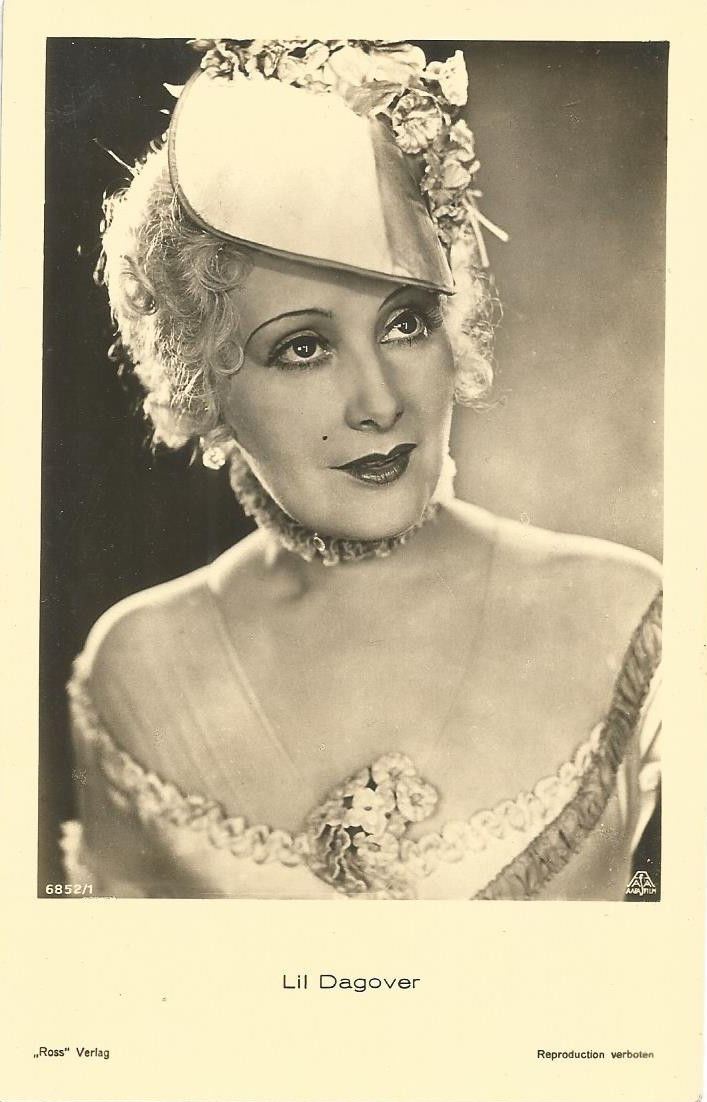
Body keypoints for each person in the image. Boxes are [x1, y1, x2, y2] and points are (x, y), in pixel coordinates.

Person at [60, 39, 662, 900]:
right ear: (200, 379)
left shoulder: (629, 614)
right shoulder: (139, 665)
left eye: (406, 323)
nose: (378, 402)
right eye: (302, 347)